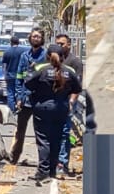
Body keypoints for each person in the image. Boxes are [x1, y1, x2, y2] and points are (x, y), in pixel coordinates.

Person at [24, 44, 82, 184]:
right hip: (61, 108)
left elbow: (28, 84)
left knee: (43, 139)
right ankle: (52, 170)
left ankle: (43, 171)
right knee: (57, 139)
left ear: (47, 56)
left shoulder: (40, 68)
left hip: (43, 108)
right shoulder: (69, 71)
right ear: (62, 56)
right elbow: (77, 88)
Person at [3, 29, 47, 166]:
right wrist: (18, 97)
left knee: (41, 132)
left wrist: (37, 68)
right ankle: (14, 157)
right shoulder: (24, 56)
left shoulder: (46, 56)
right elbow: (19, 77)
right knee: (20, 129)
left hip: (40, 99)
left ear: (42, 39)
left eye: (38, 36)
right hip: (25, 99)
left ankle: (43, 160)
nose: (36, 38)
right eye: (34, 36)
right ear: (30, 38)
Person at [54, 34, 85, 176]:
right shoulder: (52, 60)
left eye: (62, 44)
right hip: (52, 103)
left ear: (68, 45)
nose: (59, 46)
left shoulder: (75, 62)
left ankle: (62, 164)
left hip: (66, 103)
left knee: (64, 134)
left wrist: (71, 102)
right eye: (57, 43)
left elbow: (77, 86)